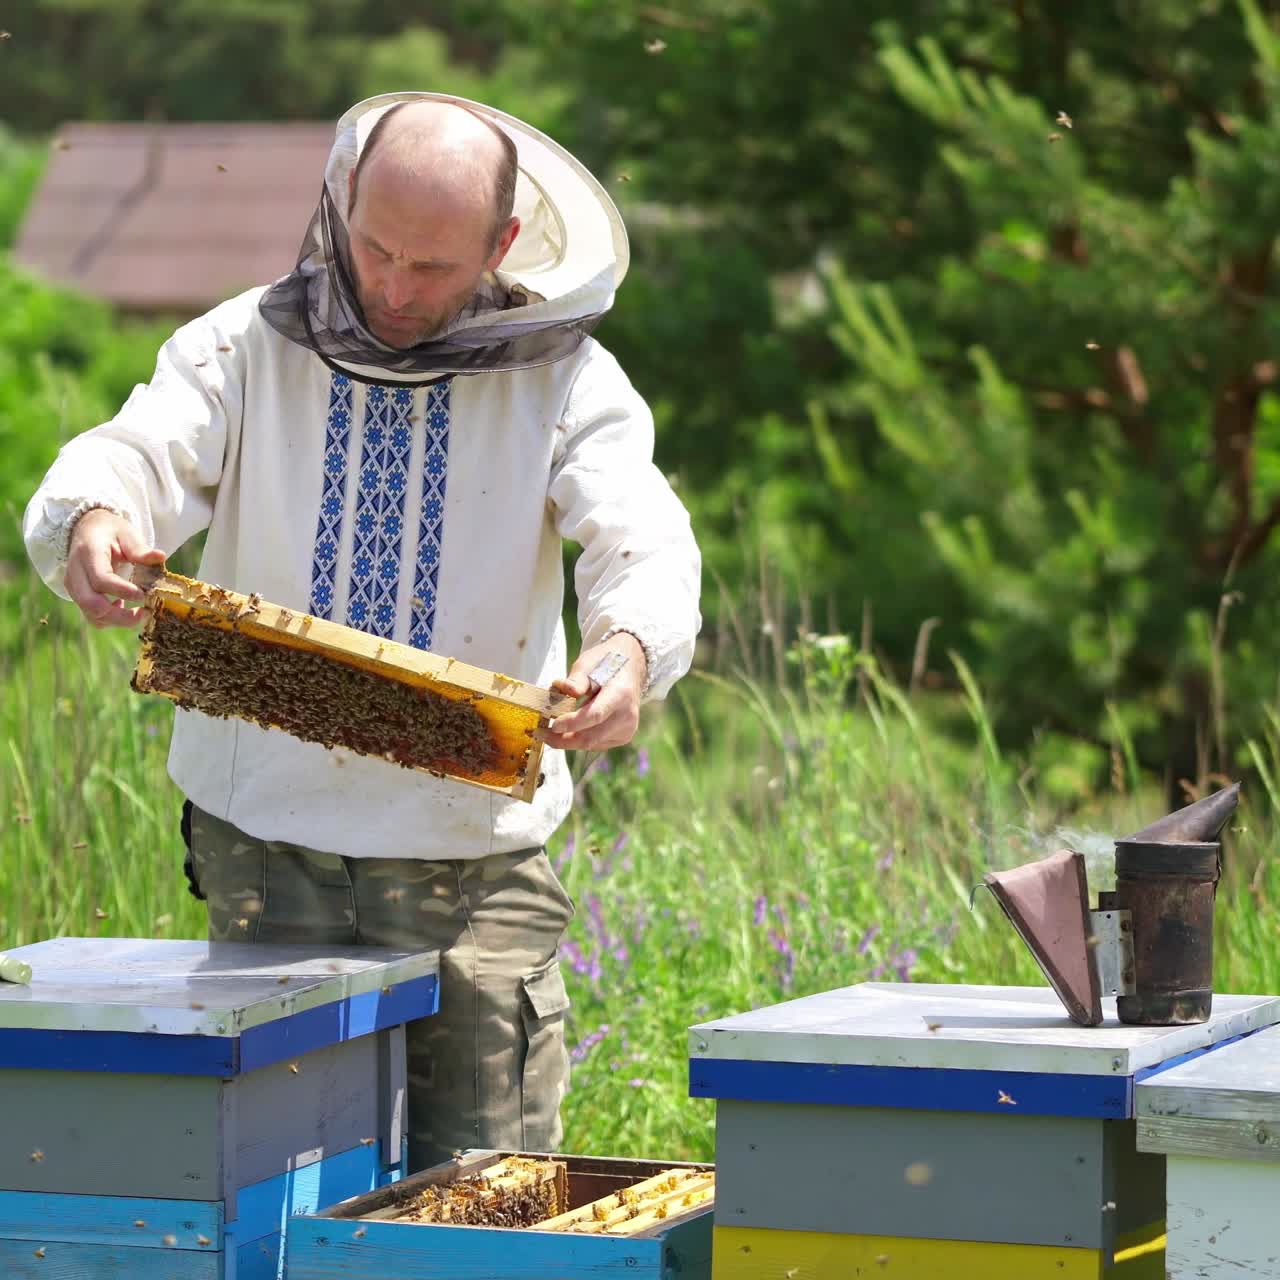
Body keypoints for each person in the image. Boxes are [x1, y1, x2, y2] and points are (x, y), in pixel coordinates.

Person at [23, 92, 702, 1171]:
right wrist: (97, 520)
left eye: (431, 266)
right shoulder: (243, 342)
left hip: (466, 870)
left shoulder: (567, 381)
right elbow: (139, 446)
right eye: (374, 247)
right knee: (274, 1191)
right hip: (265, 847)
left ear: (502, 244)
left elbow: (642, 539)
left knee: (484, 1192)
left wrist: (624, 650)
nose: (392, 286)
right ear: (338, 203)